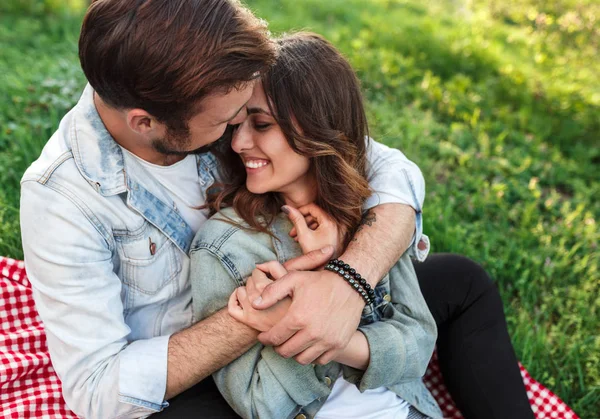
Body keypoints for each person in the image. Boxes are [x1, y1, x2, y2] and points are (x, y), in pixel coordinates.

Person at [19, 1, 429, 417]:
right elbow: (98, 391)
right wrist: (262, 311)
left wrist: (348, 277)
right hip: (198, 369)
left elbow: (377, 163)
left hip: (296, 292)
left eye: (252, 119)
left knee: (459, 282)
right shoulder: (63, 201)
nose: (235, 137)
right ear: (145, 123)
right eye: (227, 122)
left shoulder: (215, 82)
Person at [188, 32, 534, 419]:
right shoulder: (224, 247)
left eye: (262, 125)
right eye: (238, 125)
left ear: (317, 126)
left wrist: (327, 317)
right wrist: (316, 319)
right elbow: (258, 404)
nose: (239, 143)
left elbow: (418, 348)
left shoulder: (368, 217)